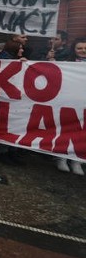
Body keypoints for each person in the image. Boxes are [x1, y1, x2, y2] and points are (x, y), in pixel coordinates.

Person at [54, 36, 86, 175]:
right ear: (74, 50)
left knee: (83, 133)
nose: (83, 51)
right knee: (67, 130)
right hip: (71, 101)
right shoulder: (68, 63)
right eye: (79, 48)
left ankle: (77, 160)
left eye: (85, 48)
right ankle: (61, 157)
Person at [0, 40, 28, 165]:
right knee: (6, 126)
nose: (22, 50)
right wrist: (16, 64)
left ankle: (11, 151)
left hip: (14, 100)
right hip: (6, 99)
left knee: (14, 126)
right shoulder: (5, 60)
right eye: (20, 48)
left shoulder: (14, 59)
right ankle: (3, 152)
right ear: (14, 49)